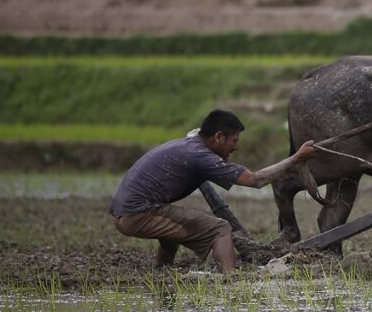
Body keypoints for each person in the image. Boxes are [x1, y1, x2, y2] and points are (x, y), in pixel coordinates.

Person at [109, 109, 316, 273]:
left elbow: (194, 132)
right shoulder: (201, 156)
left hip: (123, 211)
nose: (235, 148)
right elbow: (255, 179)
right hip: (137, 213)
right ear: (218, 137)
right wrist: (297, 158)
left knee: (170, 231)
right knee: (220, 229)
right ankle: (230, 277)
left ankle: (162, 271)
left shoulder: (192, 143)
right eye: (234, 141)